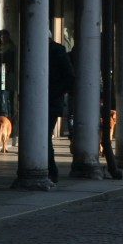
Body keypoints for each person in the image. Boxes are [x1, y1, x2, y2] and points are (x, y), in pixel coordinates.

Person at [48, 34, 75, 183]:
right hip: (50, 99)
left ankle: (51, 171)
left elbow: (69, 79)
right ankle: (50, 171)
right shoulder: (58, 52)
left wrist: (51, 94)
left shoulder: (58, 52)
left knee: (44, 136)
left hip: (51, 101)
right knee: (44, 137)